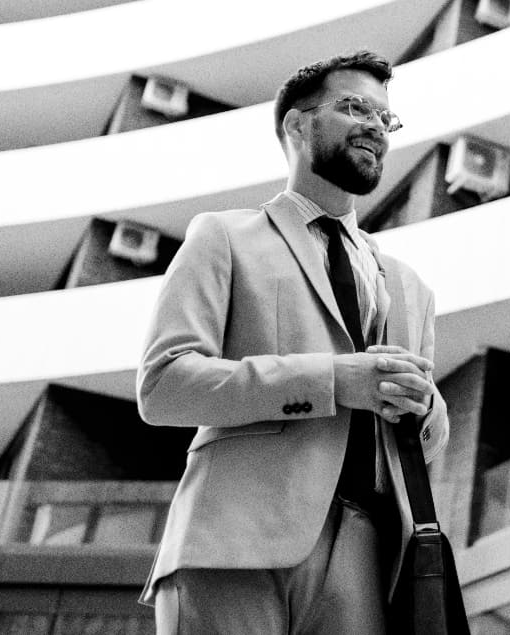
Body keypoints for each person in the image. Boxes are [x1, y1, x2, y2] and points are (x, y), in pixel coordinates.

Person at [136, 50, 450, 634]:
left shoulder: (412, 289)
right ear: (297, 123)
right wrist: (334, 380)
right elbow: (163, 386)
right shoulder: (223, 236)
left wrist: (427, 408)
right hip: (230, 540)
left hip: (369, 554)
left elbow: (423, 444)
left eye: (386, 118)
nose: (376, 127)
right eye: (356, 107)